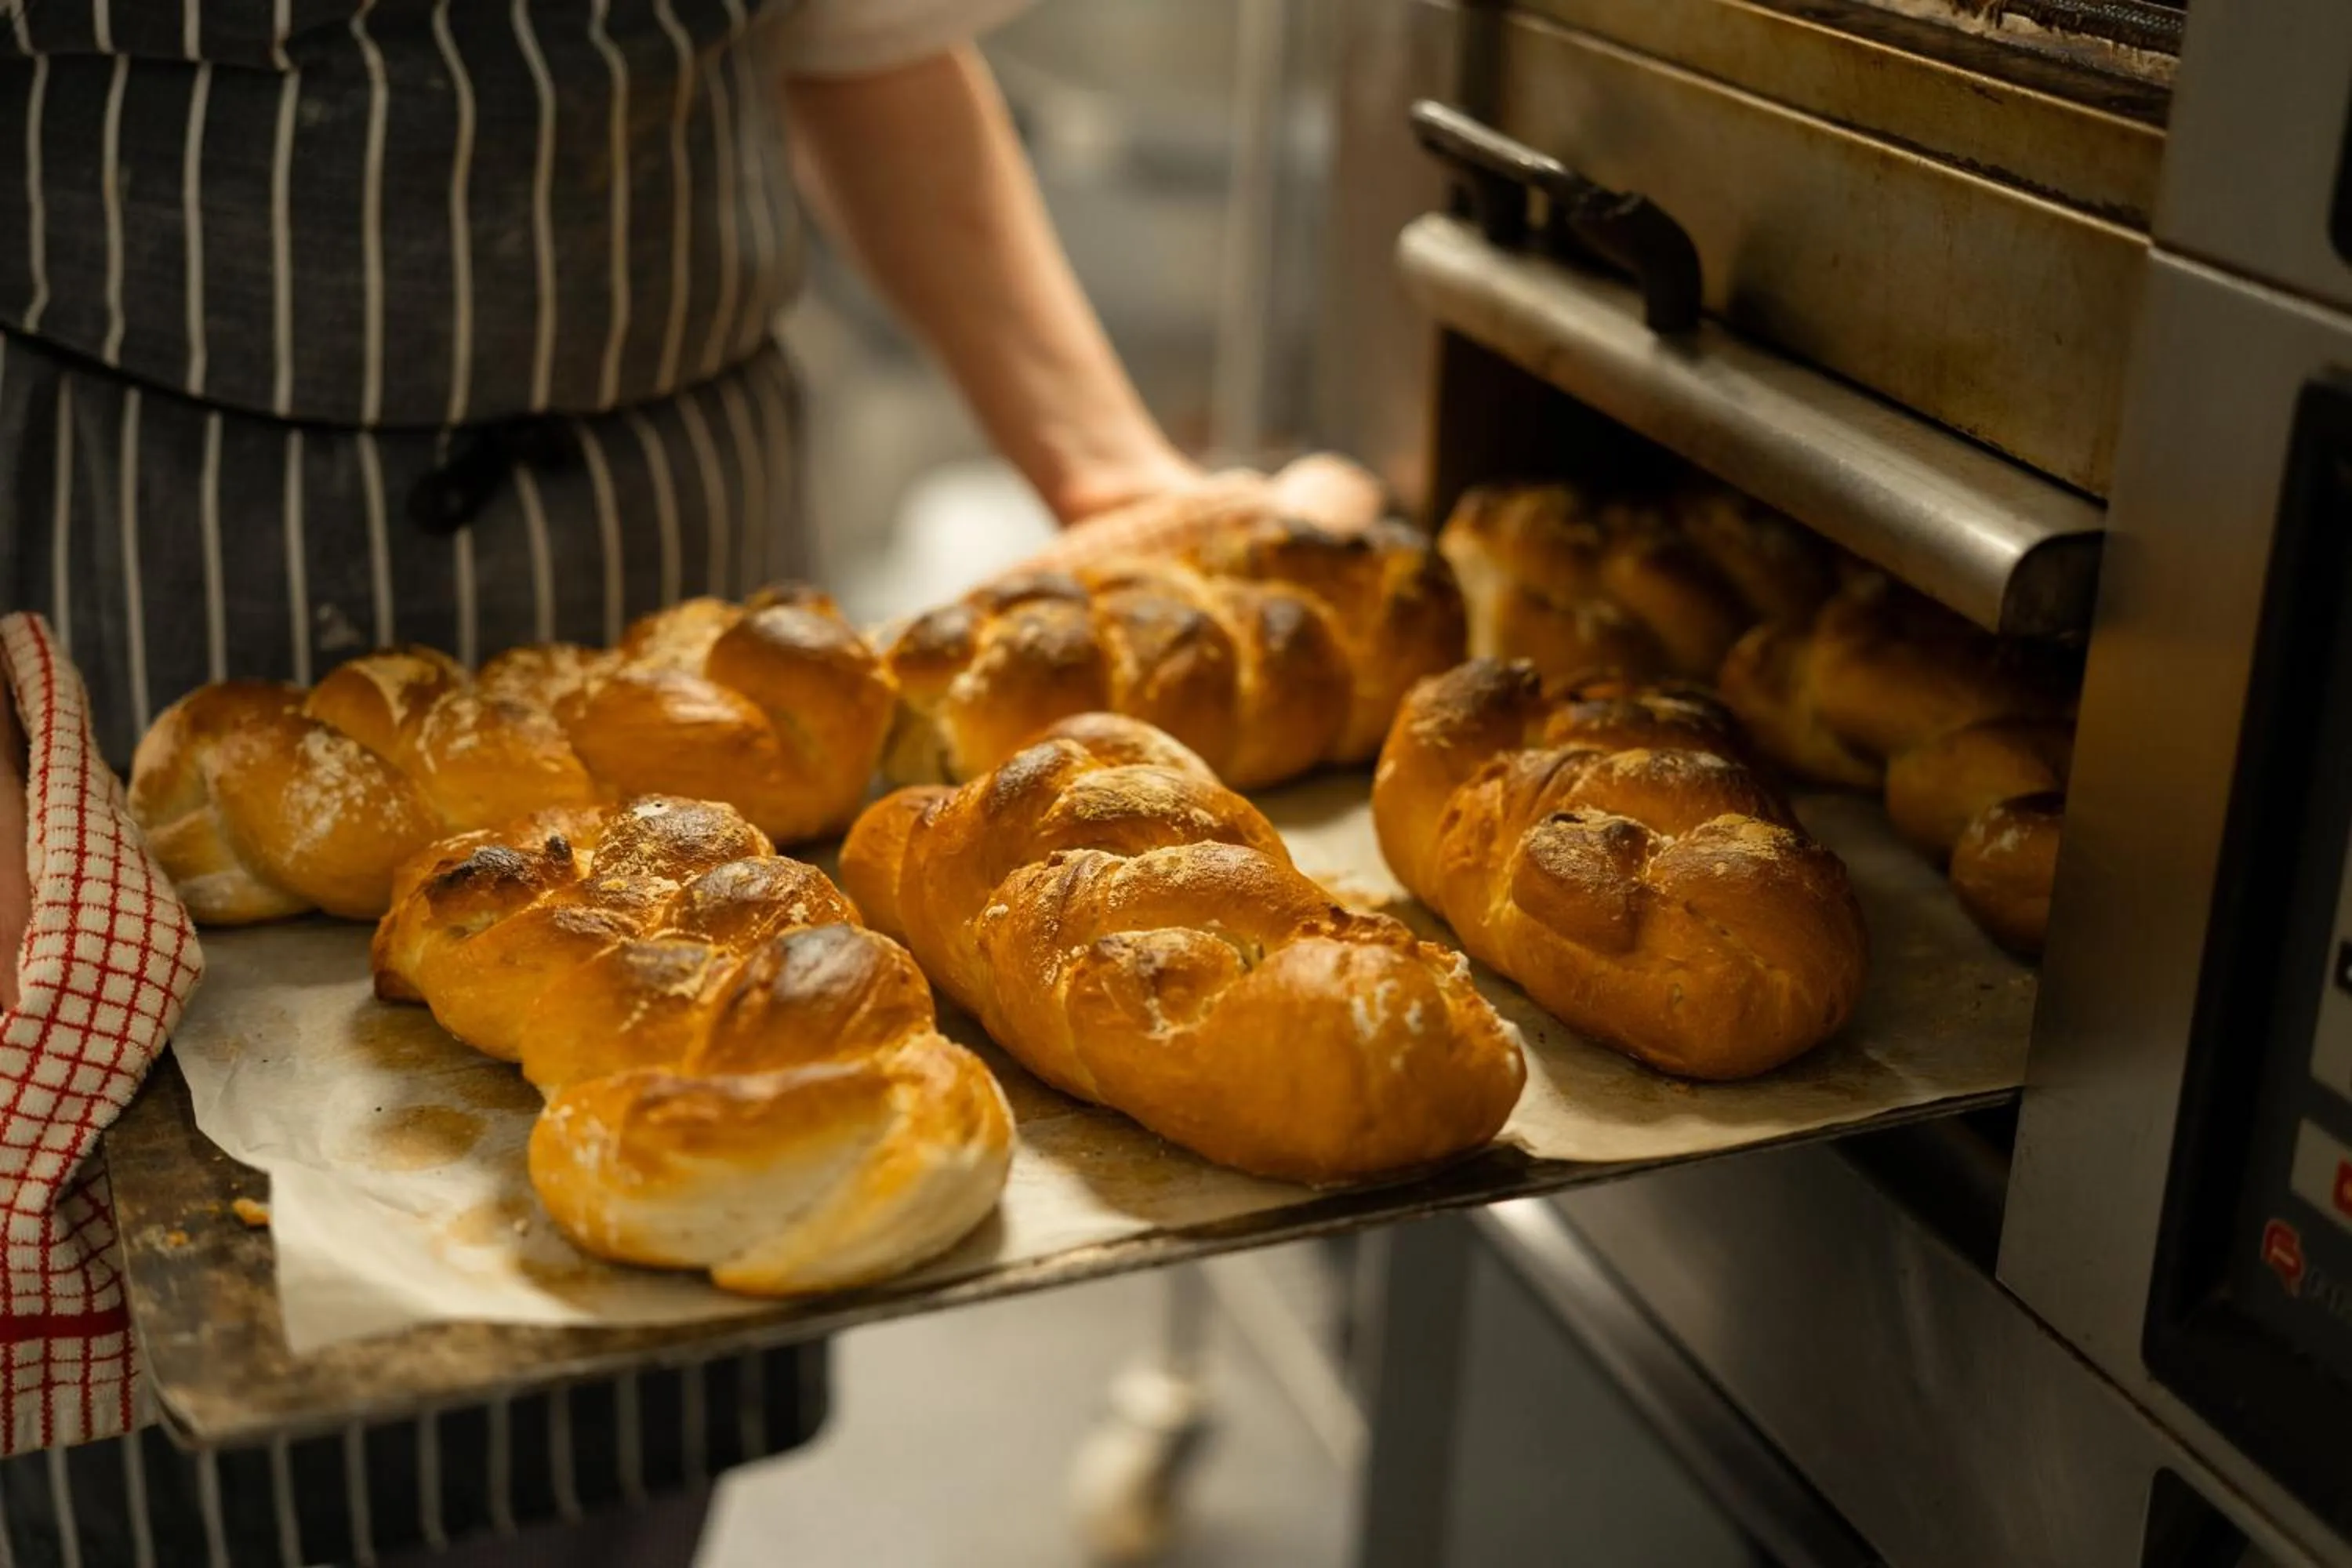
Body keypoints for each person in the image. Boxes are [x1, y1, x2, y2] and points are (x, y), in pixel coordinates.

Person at [0, 4, 1346, 1563]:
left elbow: (866, 35)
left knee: (629, 1393)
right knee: (181, 1412)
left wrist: (1109, 473)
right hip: (156, 569)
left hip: (678, 610)